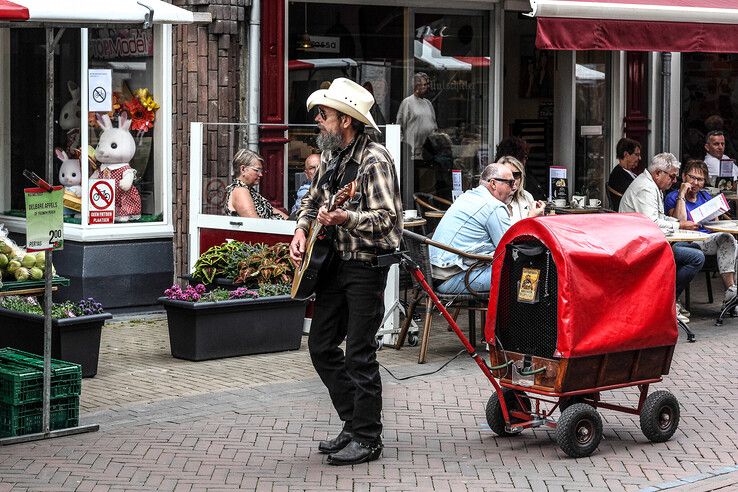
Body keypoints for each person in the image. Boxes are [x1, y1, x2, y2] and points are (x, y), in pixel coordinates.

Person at [289, 77, 402, 466]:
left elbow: (389, 220)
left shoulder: (375, 159)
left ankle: (368, 438)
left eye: (325, 114)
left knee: (359, 353)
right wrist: (302, 229)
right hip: (335, 264)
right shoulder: (334, 158)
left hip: (366, 267)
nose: (319, 120)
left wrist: (346, 217)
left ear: (347, 121)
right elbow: (311, 202)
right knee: (320, 345)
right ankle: (354, 421)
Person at [429, 162, 544, 294]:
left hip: (436, 275)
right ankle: (523, 315)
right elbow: (512, 249)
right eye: (510, 183)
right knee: (529, 274)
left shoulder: (468, 196)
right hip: (453, 278)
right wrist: (530, 219)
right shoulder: (494, 206)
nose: (514, 188)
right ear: (493, 183)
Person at [619, 152, 705, 323]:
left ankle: (669, 299)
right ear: (658, 173)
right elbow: (653, 223)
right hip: (640, 247)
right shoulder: (646, 187)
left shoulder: (652, 186)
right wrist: (679, 225)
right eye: (672, 176)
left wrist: (678, 222)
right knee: (696, 257)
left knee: (694, 249)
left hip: (648, 242)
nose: (674, 181)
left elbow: (659, 217)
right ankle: (667, 301)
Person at [664, 159, 737, 307]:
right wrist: (682, 194)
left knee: (734, 243)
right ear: (684, 177)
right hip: (687, 241)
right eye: (693, 178)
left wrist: (717, 210)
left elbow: (715, 224)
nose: (696, 183)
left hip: (707, 239)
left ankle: (732, 294)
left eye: (701, 179)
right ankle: (732, 293)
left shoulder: (704, 197)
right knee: (729, 240)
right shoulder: (673, 197)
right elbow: (680, 221)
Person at [223, 149, 288, 219]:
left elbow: (274, 211)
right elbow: (253, 223)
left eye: (261, 171)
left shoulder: (249, 190)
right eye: (257, 170)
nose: (260, 174)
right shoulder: (240, 191)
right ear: (243, 169)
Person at [396, 72, 437, 160]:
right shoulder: (407, 102)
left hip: (427, 151)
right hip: (412, 151)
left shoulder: (428, 103)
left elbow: (434, 126)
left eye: (425, 84)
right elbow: (399, 126)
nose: (423, 87)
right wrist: (403, 146)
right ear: (414, 85)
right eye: (419, 84)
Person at [496, 155, 546, 224]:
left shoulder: (526, 197)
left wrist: (538, 218)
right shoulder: (492, 202)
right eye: (507, 175)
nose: (512, 179)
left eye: (516, 175)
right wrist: (530, 218)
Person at [607, 137, 642, 210]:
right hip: (628, 214)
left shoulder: (626, 172)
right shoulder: (618, 175)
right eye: (637, 154)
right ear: (626, 155)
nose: (639, 158)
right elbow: (636, 195)